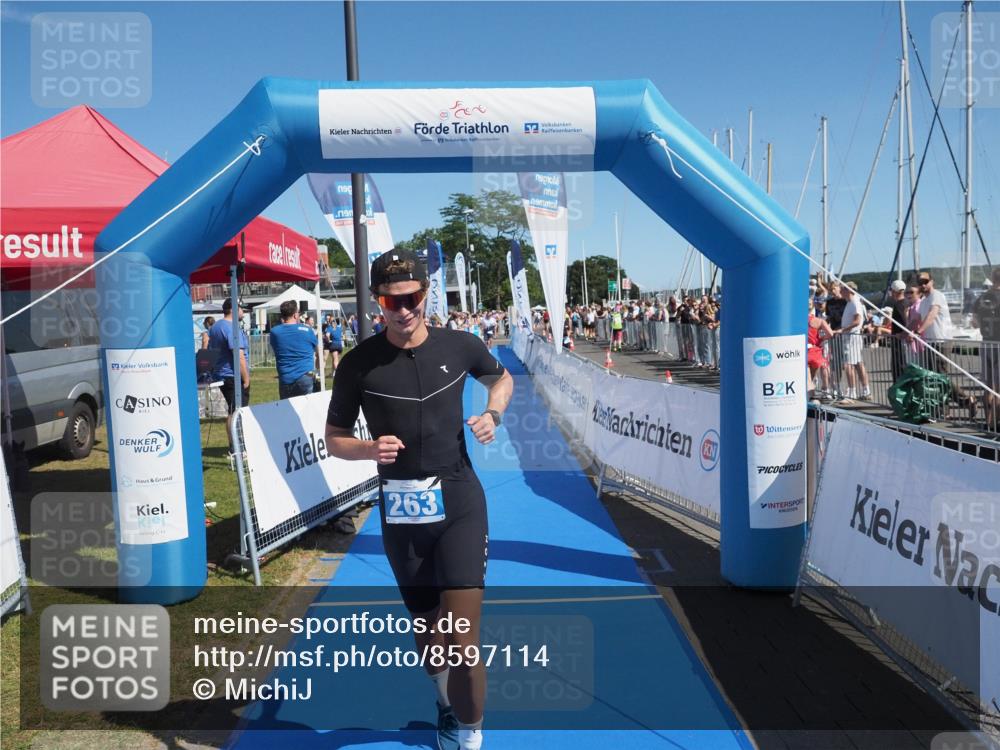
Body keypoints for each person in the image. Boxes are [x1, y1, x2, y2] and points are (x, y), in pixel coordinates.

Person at [325, 249, 513, 750]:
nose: (403, 309)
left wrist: (493, 414)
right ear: (377, 302)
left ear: (426, 294)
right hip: (403, 512)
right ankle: (447, 705)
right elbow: (334, 439)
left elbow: (501, 378)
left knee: (462, 637)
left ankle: (470, 735)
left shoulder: (461, 344)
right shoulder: (358, 364)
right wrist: (368, 449)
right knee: (430, 634)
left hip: (460, 502)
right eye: (392, 300)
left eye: (411, 298)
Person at [914, 272, 974, 418]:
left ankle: (965, 400)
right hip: (930, 342)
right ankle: (944, 408)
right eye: (920, 282)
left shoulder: (937, 296)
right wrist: (906, 332)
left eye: (926, 281)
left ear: (932, 281)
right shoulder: (923, 301)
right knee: (934, 378)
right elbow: (916, 319)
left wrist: (919, 331)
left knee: (940, 377)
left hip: (941, 341)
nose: (923, 285)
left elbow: (932, 315)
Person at [208, 298, 250, 451]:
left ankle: (235, 445)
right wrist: (246, 378)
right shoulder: (231, 328)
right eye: (241, 308)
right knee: (237, 412)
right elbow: (238, 356)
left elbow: (210, 349)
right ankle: (237, 447)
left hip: (222, 374)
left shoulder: (216, 327)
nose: (243, 312)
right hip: (233, 375)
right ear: (233, 310)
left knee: (233, 411)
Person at [269, 300, 319, 400]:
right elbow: (319, 351)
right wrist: (317, 369)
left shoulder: (274, 332)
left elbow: (276, 349)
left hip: (285, 378)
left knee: (287, 408)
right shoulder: (307, 330)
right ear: (295, 315)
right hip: (305, 376)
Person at [972, 267, 1000, 430]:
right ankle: (995, 422)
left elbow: (974, 323)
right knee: (999, 387)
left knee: (988, 386)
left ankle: (988, 420)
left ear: (992, 278)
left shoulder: (982, 298)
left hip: (986, 343)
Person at [834, 282, 870, 401]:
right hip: (850, 336)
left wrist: (842, 330)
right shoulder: (851, 302)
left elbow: (857, 321)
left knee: (848, 364)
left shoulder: (855, 302)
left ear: (849, 290)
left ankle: (852, 392)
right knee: (858, 363)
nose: (841, 290)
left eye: (843, 288)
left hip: (851, 337)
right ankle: (865, 390)